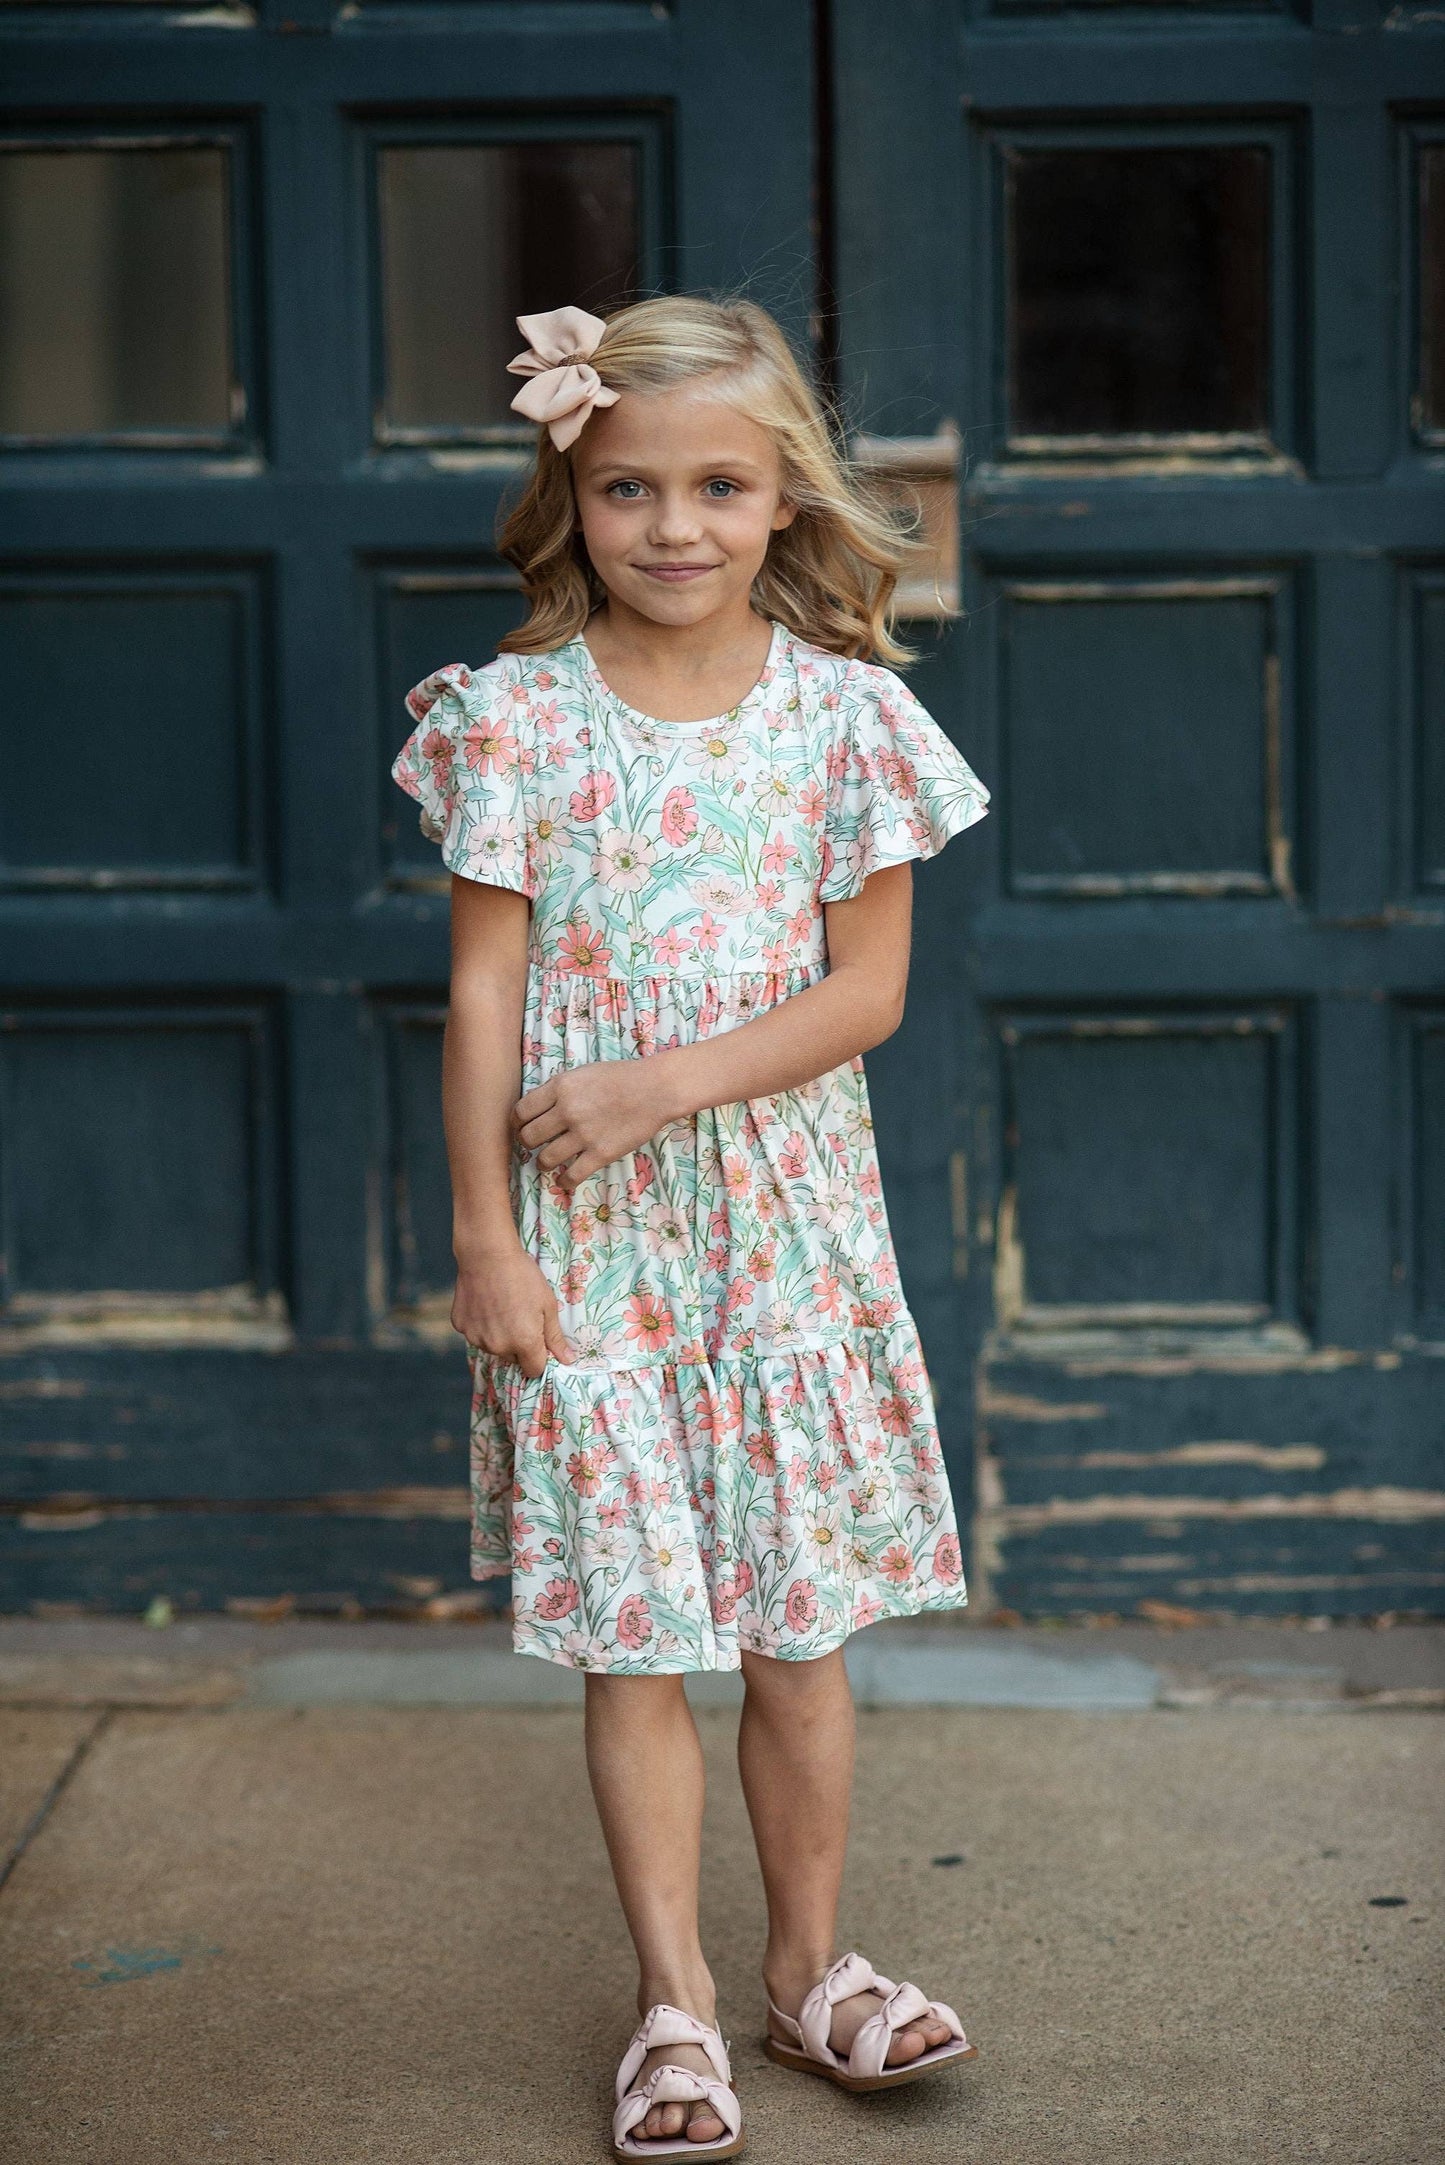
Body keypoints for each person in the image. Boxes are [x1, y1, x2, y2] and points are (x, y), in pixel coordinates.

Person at [390, 294, 991, 2161]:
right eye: (628, 486)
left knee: (797, 1633)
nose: (673, 526)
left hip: (784, 1234)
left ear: (784, 498)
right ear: (569, 494)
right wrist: (486, 1234)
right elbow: (484, 1000)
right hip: (587, 1247)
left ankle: (809, 1969)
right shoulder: (510, 723)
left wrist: (659, 1082)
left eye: (718, 485)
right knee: (635, 1635)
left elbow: (867, 992)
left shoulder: (848, 718)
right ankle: (673, 2003)